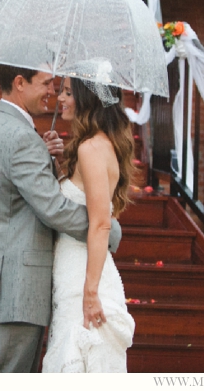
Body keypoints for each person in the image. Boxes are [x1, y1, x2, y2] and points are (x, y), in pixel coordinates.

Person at [0, 63, 123, 373]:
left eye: (62, 88)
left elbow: (17, 191)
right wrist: (107, 229)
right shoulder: (21, 137)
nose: (53, 93)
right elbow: (53, 208)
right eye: (47, 84)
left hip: (5, 281)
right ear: (19, 83)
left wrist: (47, 160)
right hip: (17, 288)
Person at [41, 70, 136, 373]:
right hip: (73, 271)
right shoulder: (91, 145)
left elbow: (100, 224)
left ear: (87, 98)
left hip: (83, 276)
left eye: (68, 92)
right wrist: (58, 167)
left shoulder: (91, 148)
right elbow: (79, 199)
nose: (60, 98)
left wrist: (91, 292)